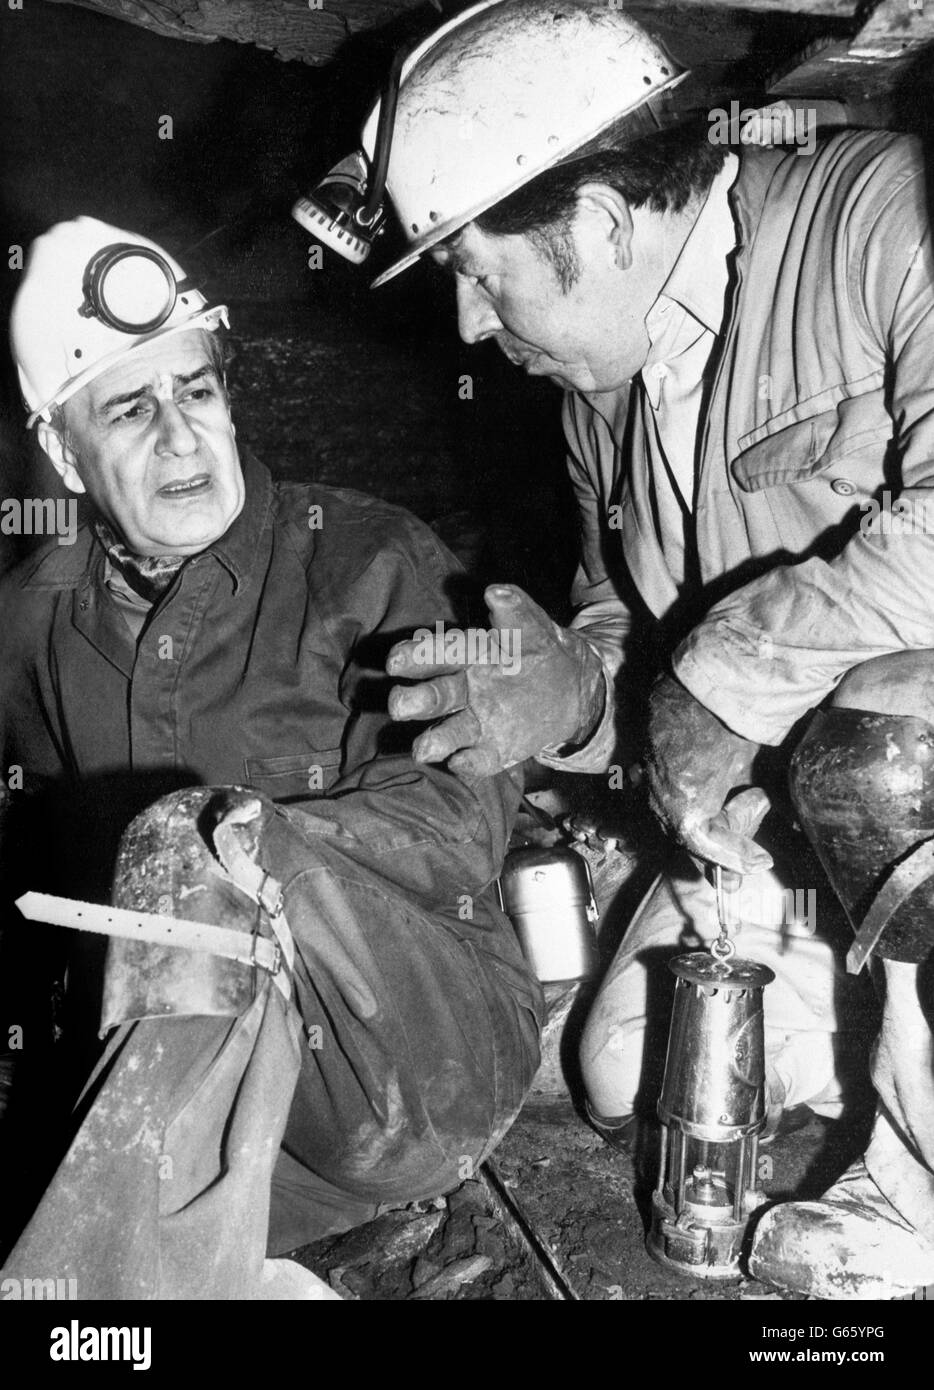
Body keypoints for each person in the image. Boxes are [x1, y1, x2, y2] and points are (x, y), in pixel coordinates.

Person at [321, 0, 934, 1297]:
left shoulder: (879, 217)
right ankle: (886, 1017)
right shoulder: (598, 402)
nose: (470, 327)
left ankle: (917, 1185)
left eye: (479, 275)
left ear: (600, 224)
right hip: (798, 836)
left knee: (883, 727)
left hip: (897, 774)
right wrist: (567, 694)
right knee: (619, 1079)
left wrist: (721, 675)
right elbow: (632, 643)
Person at [0, 215, 542, 1299]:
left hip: (404, 1064)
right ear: (63, 451)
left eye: (198, 391)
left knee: (188, 844)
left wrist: (255, 845)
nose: (183, 437)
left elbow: (460, 822)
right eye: (131, 408)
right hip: (212, 1140)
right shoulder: (32, 624)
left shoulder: (366, 560)